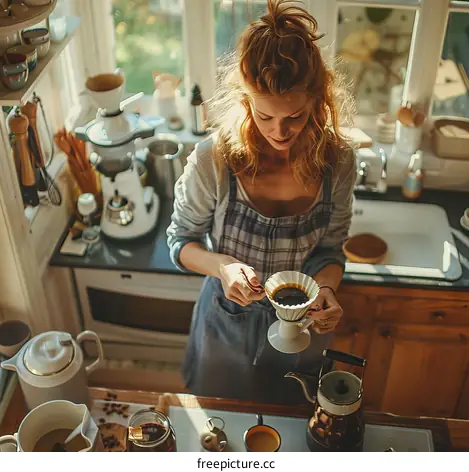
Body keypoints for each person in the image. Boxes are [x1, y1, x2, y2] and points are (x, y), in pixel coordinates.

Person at [166, 0, 356, 405]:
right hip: (226, 326)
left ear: (318, 101)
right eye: (264, 115)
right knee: (221, 428)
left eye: (295, 116)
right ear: (245, 100)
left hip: (300, 331)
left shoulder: (337, 163)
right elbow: (181, 242)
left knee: (291, 420)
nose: (280, 131)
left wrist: (326, 289)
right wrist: (224, 266)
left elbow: (329, 249)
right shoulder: (213, 161)